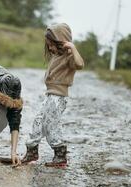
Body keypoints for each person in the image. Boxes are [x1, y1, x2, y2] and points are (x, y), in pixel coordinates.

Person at [22, 23, 84, 167]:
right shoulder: (56, 56)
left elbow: (80, 64)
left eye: (52, 44)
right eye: (48, 45)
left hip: (58, 98)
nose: (50, 48)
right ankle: (32, 151)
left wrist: (73, 47)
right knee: (38, 121)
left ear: (62, 42)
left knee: (51, 125)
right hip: (50, 96)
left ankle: (60, 155)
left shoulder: (69, 56)